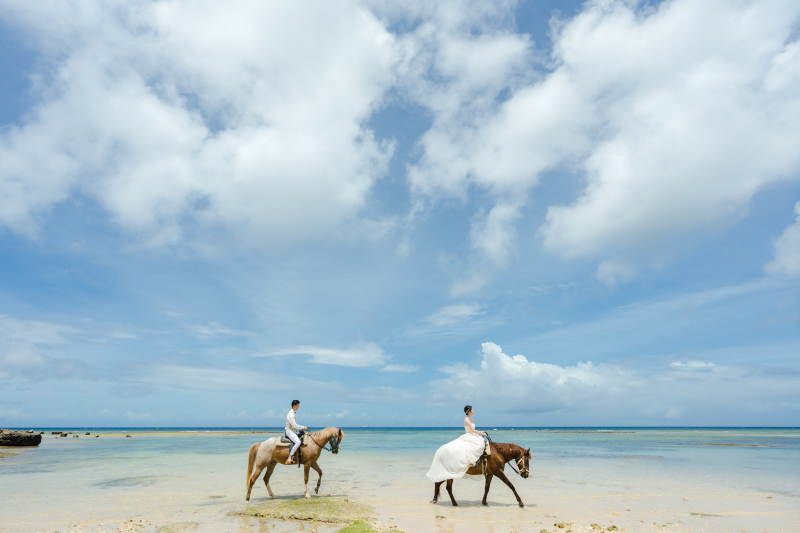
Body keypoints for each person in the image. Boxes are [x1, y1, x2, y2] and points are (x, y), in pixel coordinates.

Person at [425, 405, 491, 483]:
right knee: (479, 444)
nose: (473, 411)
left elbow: (473, 430)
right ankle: (474, 461)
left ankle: (477, 461)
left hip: (472, 435)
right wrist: (482, 433)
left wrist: (481, 432)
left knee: (480, 443)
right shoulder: (466, 420)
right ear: (469, 411)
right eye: (472, 410)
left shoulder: (471, 419)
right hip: (469, 435)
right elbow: (472, 430)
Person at [285, 400, 307, 465]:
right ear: (294, 406)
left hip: (293, 431)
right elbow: (294, 425)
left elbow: (294, 425)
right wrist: (303, 427)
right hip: (289, 431)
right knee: (298, 442)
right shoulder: (291, 414)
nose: (298, 407)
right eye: (298, 406)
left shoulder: (293, 413)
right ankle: (289, 457)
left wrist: (300, 429)